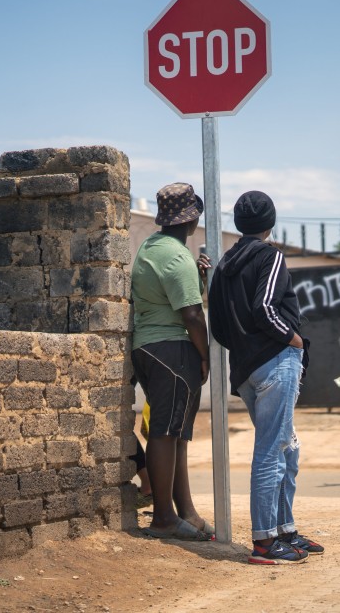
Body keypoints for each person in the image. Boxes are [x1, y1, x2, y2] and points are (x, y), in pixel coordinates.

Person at [208, 190, 322, 565]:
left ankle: (285, 530)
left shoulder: (225, 264)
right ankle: (263, 542)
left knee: (288, 447)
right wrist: (296, 340)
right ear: (270, 223)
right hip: (275, 363)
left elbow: (220, 327)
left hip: (245, 370)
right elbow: (266, 308)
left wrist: (246, 349)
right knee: (272, 451)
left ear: (239, 224)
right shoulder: (270, 255)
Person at [131, 182, 212, 541]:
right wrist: (205, 357)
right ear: (192, 219)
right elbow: (192, 315)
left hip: (148, 348)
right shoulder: (178, 258)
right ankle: (163, 517)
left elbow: (174, 294)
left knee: (174, 432)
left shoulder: (153, 246)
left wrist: (199, 277)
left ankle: (187, 514)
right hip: (172, 348)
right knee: (166, 433)